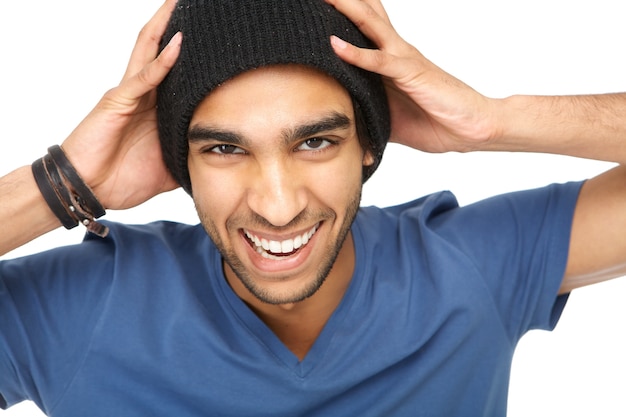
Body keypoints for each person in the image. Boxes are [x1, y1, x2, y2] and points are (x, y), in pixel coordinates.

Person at [1, 0, 624, 415]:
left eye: (316, 141)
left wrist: (490, 122)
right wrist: (64, 183)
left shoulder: (469, 268)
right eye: (223, 148)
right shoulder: (80, 308)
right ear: (180, 166)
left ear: (369, 147)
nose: (277, 206)